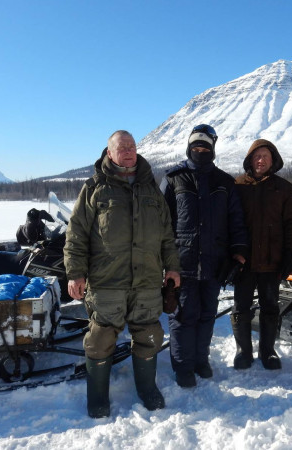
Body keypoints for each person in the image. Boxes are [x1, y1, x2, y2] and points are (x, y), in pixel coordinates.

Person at [64, 130, 180, 417]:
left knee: (149, 335)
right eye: (122, 147)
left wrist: (173, 266)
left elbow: (167, 235)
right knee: (100, 339)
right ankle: (98, 398)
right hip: (106, 282)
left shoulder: (151, 189)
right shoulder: (94, 188)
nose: (128, 151)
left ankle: (147, 389)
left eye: (132, 147)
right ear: (109, 153)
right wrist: (75, 273)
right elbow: (75, 234)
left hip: (147, 282)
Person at [160, 124, 248, 388]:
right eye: (196, 147)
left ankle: (201, 360)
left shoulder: (224, 181)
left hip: (214, 262)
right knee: (183, 316)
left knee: (207, 314)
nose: (200, 151)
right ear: (189, 147)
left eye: (205, 147)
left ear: (212, 149)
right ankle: (183, 367)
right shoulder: (173, 178)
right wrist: (164, 262)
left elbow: (236, 221)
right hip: (181, 263)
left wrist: (239, 253)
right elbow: (160, 223)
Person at [231, 139, 292, 370]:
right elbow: (228, 221)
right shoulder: (237, 185)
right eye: (257, 156)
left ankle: (268, 351)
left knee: (270, 306)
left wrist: (291, 252)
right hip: (244, 261)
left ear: (273, 160)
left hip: (272, 260)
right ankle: (243, 350)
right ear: (250, 159)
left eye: (266, 157)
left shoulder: (285, 188)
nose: (261, 160)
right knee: (241, 307)